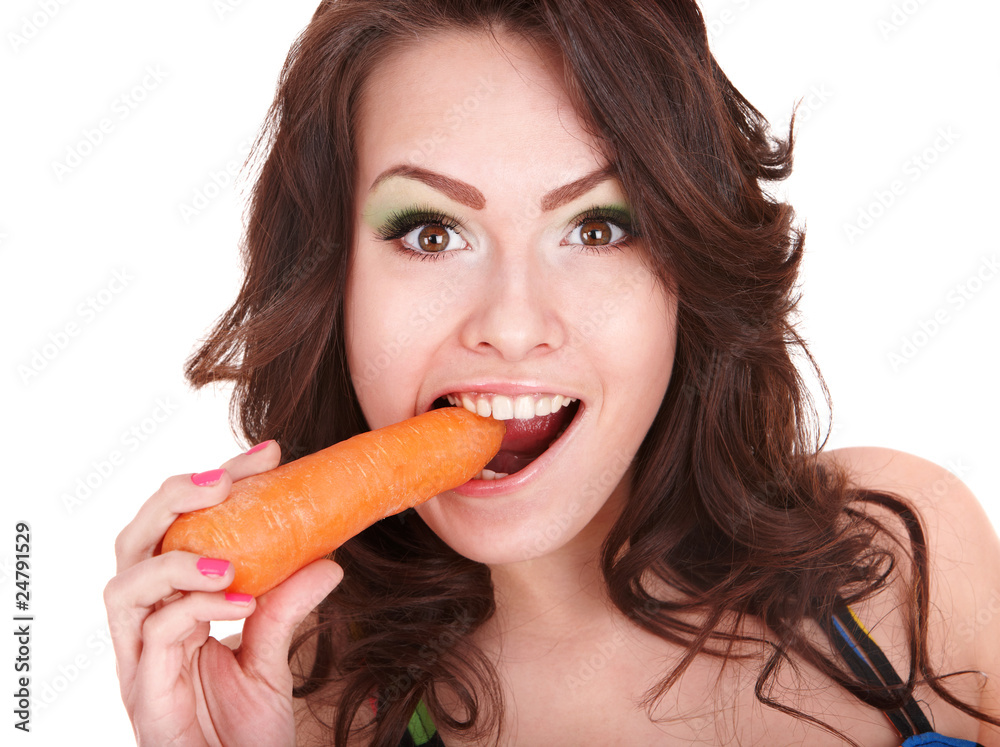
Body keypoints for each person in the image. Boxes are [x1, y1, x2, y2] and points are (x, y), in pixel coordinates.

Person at [104, 0, 1000, 745]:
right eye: (430, 232)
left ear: (686, 270)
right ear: (332, 279)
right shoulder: (308, 699)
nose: (513, 325)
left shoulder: (900, 561)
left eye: (597, 227)